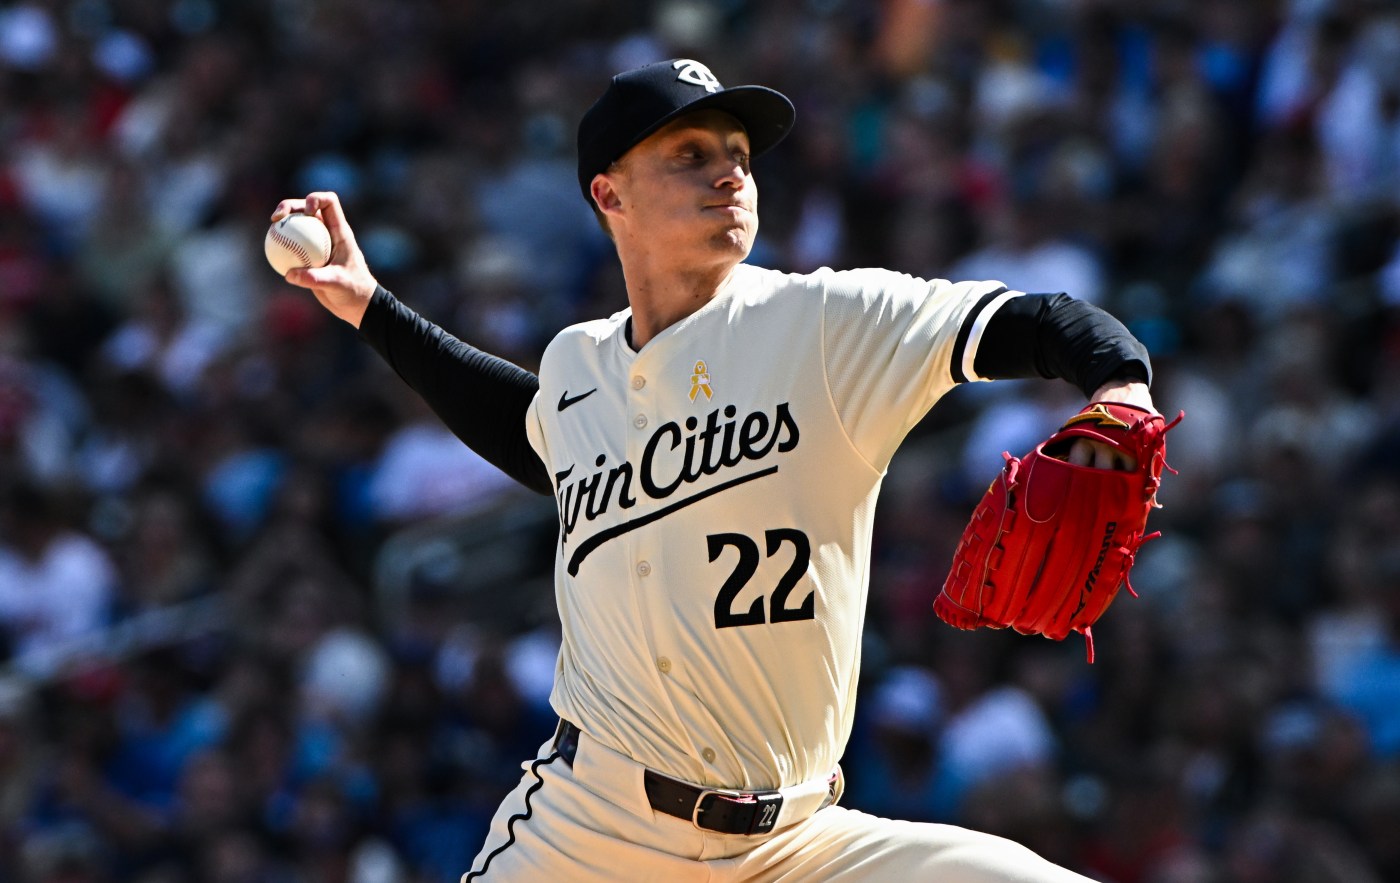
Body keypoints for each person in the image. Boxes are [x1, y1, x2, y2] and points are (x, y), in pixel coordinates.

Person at [272, 58, 1156, 881]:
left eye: (738, 155)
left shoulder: (826, 324)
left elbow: (1040, 321)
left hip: (797, 842)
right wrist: (370, 307)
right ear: (609, 193)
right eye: (690, 155)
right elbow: (531, 432)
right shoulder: (579, 366)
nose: (729, 174)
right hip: (591, 832)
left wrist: (1120, 386)